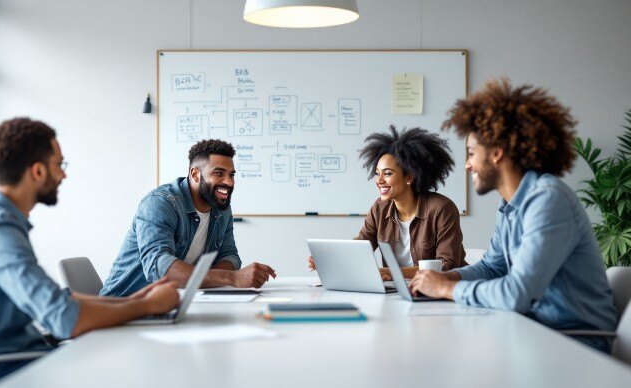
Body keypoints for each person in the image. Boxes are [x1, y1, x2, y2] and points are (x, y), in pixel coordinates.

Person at [0, 118, 180, 386]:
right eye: (59, 165)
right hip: (13, 373)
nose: (64, 174)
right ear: (37, 171)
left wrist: (135, 302)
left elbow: (60, 301)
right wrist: (147, 305)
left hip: (31, 357)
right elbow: (64, 319)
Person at [409, 78, 617, 352]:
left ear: (497, 152)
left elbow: (515, 294)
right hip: (536, 331)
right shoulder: (510, 205)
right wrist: (447, 279)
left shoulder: (548, 199)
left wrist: (445, 290)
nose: (468, 165)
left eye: (471, 153)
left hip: (575, 342)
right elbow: (491, 268)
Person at [100, 139, 276, 297]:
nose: (229, 182)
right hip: (123, 305)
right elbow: (158, 267)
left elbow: (229, 256)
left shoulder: (222, 210)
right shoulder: (160, 203)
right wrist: (231, 277)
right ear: (195, 174)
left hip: (174, 302)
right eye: (219, 173)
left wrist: (206, 279)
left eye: (231, 175)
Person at [309, 126, 467, 279]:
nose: (379, 180)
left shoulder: (441, 209)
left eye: (388, 173)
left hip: (439, 290)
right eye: (377, 173)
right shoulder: (379, 208)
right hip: (398, 290)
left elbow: (446, 266)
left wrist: (391, 273)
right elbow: (360, 248)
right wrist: (330, 259)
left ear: (409, 177)